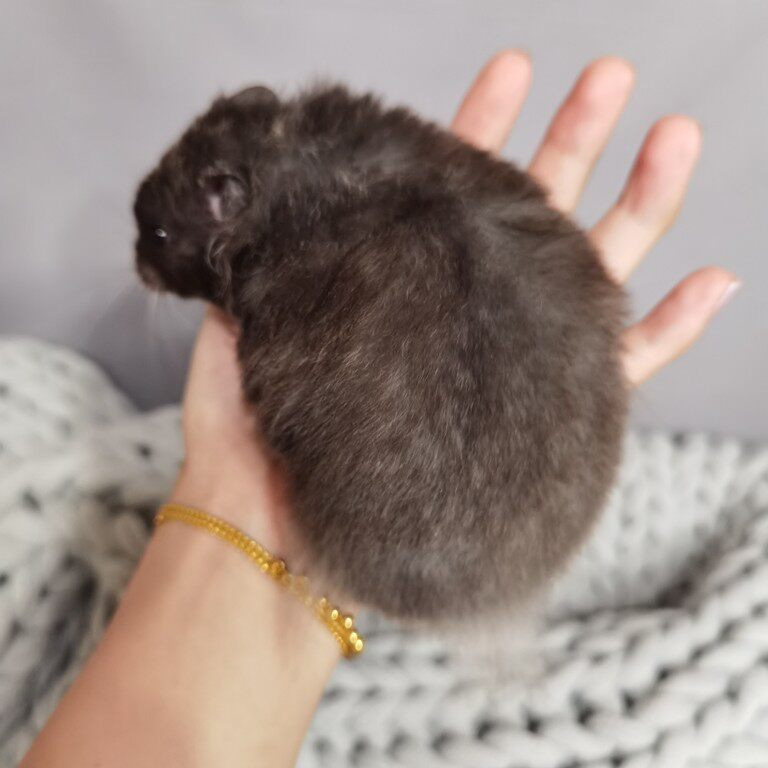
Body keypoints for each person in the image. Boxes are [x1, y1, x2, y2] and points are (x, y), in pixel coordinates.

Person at [20, 51, 739, 768]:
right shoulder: (351, 165)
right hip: (517, 521)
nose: (146, 261)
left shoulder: (286, 254)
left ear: (224, 202)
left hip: (433, 540)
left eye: (162, 240)